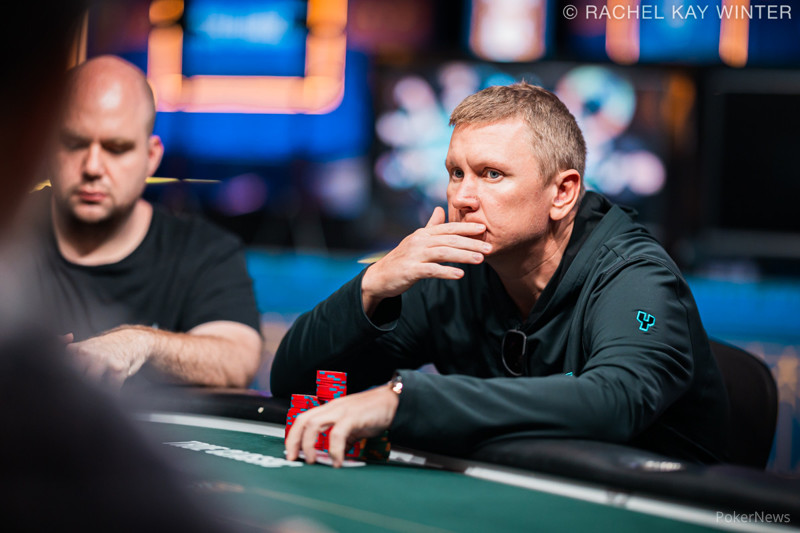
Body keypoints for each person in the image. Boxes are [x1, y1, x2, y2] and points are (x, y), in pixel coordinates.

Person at [273, 82, 731, 468]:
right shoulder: (454, 270)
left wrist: (404, 399)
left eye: (491, 174)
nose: (463, 197)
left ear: (562, 193)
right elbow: (295, 383)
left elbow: (615, 401)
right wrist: (372, 286)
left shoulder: (636, 275)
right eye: (456, 173)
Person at [33, 55, 262, 389]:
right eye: (74, 143)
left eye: (116, 148)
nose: (92, 167)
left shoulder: (204, 250)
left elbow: (238, 358)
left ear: (151, 157)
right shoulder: (8, 231)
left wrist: (138, 344)